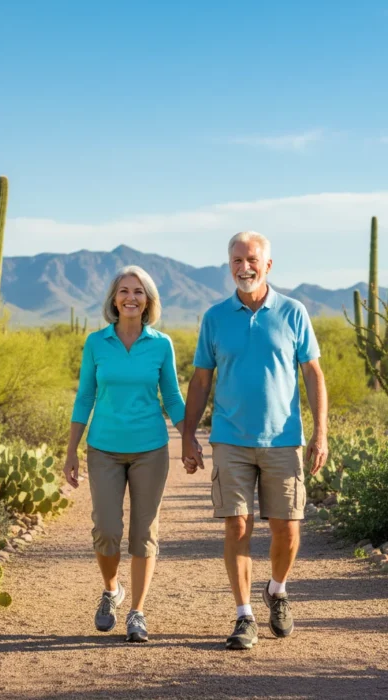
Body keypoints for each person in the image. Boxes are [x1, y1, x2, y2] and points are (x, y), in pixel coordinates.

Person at [182, 231, 328, 650]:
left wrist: (320, 434)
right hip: (230, 438)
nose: (243, 267)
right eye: (236, 260)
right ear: (228, 266)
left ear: (267, 265)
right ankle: (244, 615)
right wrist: (188, 435)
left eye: (251, 259)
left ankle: (277, 590)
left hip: (284, 439)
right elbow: (201, 379)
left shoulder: (294, 312)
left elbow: (313, 375)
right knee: (237, 524)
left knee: (288, 531)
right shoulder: (214, 317)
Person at [64, 265, 189, 643]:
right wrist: (71, 451)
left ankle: (137, 611)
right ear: (113, 299)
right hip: (103, 447)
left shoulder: (161, 344)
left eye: (138, 291)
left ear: (148, 300)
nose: (131, 297)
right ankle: (111, 589)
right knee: (106, 529)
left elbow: (171, 396)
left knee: (143, 532)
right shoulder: (96, 342)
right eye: (124, 291)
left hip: (150, 448)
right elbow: (85, 395)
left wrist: (192, 440)